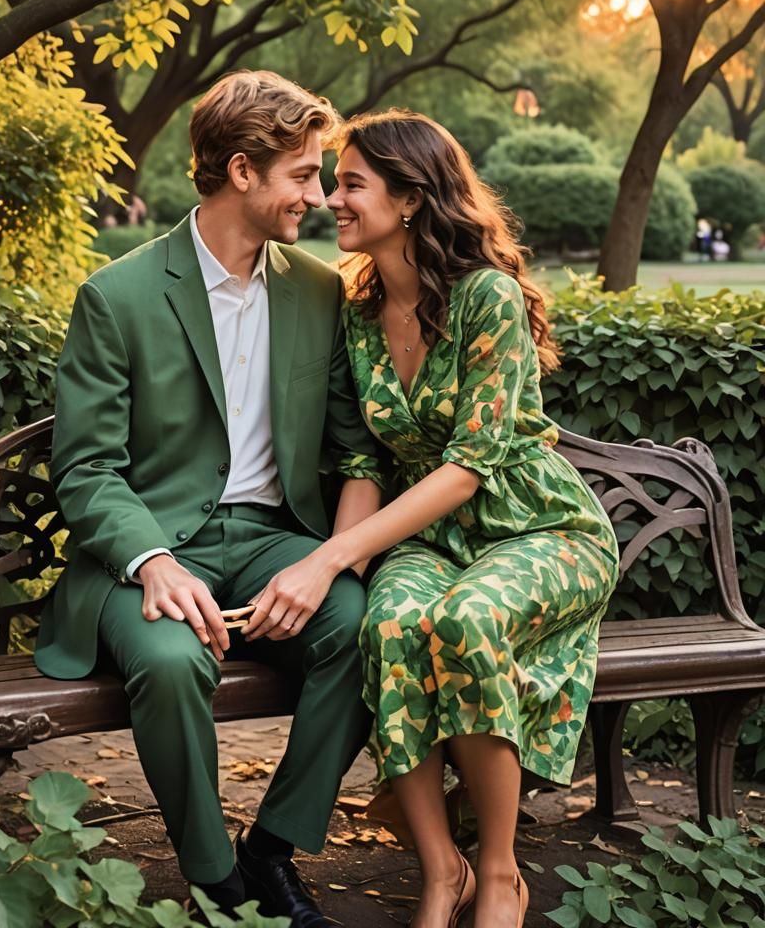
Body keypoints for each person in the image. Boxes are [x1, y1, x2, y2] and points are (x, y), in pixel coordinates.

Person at [244, 109, 619, 928]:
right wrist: (346, 567)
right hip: (426, 538)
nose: (332, 200)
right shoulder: (356, 310)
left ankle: (497, 872)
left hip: (536, 527)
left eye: (351, 184)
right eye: (331, 183)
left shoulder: (486, 297)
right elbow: (362, 460)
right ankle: (438, 868)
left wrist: (330, 557)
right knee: (387, 624)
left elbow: (468, 467)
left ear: (411, 197)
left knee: (466, 620)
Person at [34, 71, 383, 927]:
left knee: (363, 624)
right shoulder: (115, 297)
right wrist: (152, 560)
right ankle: (216, 878)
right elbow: (84, 468)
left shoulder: (316, 288)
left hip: (273, 537)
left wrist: (329, 564)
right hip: (146, 547)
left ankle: (272, 851)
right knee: (170, 658)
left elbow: (353, 447)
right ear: (240, 171)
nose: (321, 194)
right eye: (303, 174)